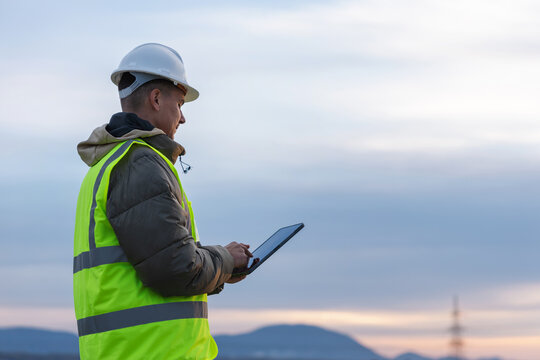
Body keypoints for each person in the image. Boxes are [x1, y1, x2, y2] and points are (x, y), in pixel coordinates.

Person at [73, 43, 252, 360]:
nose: (183, 119)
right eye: (180, 104)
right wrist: (225, 258)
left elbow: (160, 260)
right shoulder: (140, 165)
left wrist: (221, 269)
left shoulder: (112, 163)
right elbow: (175, 269)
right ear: (156, 99)